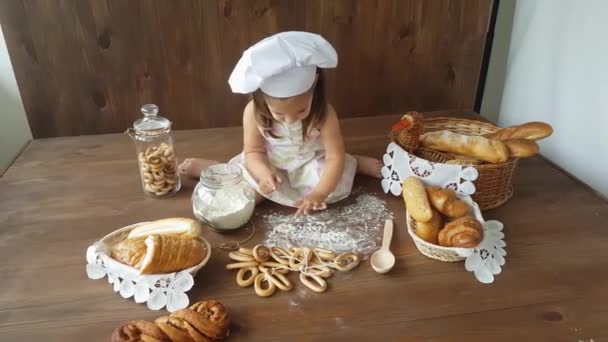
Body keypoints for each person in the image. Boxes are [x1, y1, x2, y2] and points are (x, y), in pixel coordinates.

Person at [179, 31, 382, 215]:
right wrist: (264, 174)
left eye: (302, 110)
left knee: (335, 180)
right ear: (262, 101)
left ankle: (353, 163)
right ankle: (216, 169)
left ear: (315, 91)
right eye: (279, 114)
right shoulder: (253, 113)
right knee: (250, 197)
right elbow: (253, 152)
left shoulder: (324, 113)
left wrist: (319, 193)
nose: (292, 119)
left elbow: (334, 156)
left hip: (310, 161)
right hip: (272, 163)